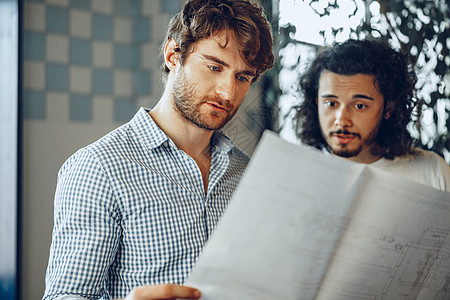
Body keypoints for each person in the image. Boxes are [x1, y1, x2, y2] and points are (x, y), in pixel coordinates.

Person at [43, 0, 274, 299]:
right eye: (215, 66)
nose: (228, 92)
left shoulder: (246, 172)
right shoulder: (98, 168)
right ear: (173, 55)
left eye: (243, 77)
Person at [293, 39, 450, 191]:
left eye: (359, 106)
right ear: (316, 102)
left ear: (388, 108)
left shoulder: (432, 172)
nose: (341, 121)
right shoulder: (297, 175)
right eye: (331, 104)